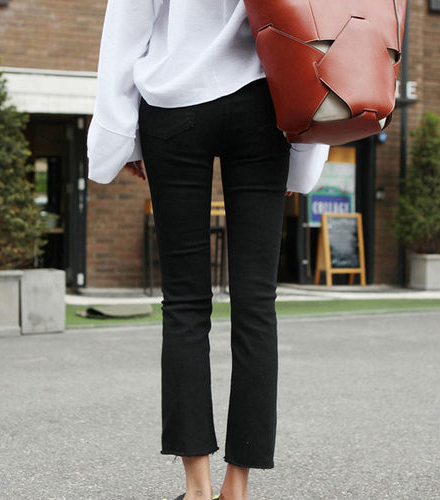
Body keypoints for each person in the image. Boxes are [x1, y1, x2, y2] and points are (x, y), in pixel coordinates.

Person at [87, 1, 329, 499]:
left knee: (184, 303)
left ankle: (197, 490)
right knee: (256, 303)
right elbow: (317, 22)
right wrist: (306, 152)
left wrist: (122, 138)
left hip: (174, 102)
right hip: (264, 101)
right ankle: (235, 489)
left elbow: (127, 26)